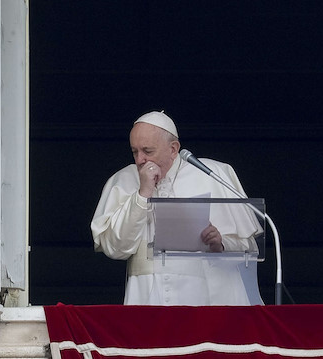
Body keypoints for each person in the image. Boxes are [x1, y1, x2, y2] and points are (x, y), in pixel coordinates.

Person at [90, 111, 263, 305]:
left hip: (205, 298)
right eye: (134, 151)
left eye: (148, 151)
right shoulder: (122, 181)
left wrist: (221, 244)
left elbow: (248, 246)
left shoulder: (212, 174)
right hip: (147, 298)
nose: (140, 160)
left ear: (173, 149)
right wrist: (142, 194)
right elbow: (115, 248)